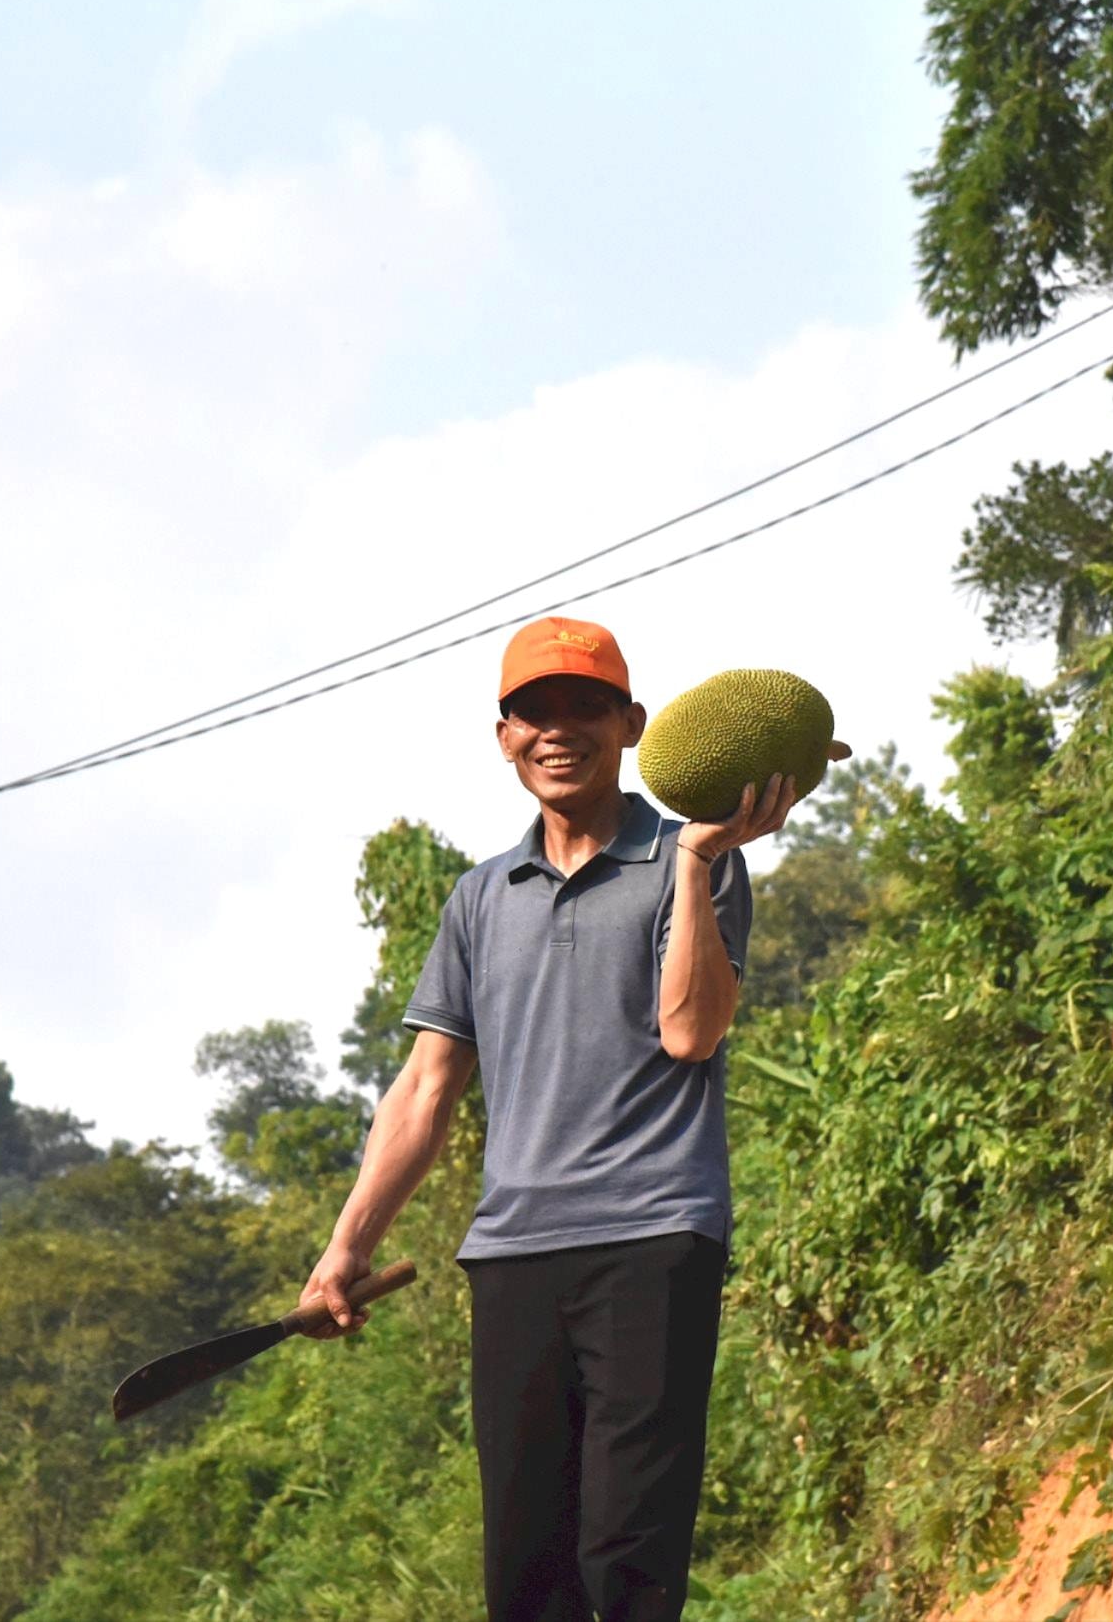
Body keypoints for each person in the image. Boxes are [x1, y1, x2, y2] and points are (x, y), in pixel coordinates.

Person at [299, 615, 798, 1622]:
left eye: (584, 707)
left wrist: (699, 867)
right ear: (503, 736)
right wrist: (345, 1245)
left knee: (628, 1553)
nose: (557, 730)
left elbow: (693, 1030)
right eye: (534, 712)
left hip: (652, 1235)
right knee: (525, 1571)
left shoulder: (687, 861)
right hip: (514, 1251)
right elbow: (426, 1086)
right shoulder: (481, 897)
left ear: (631, 725)